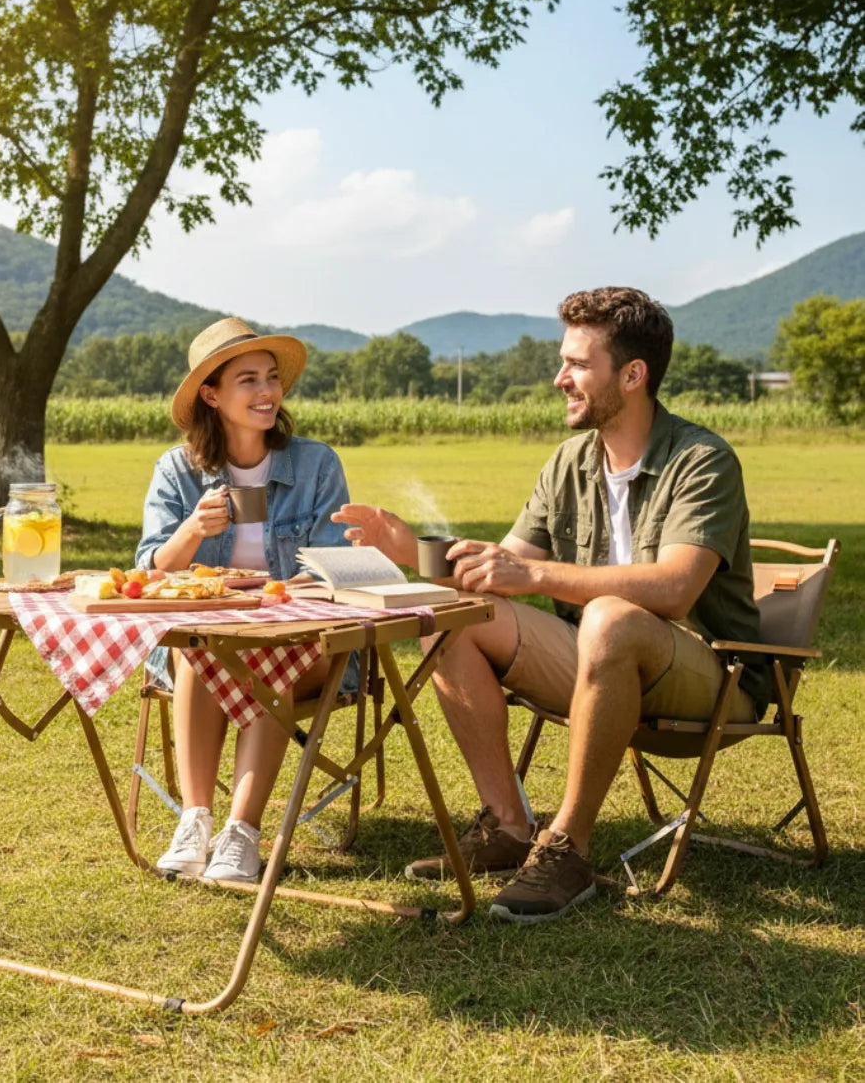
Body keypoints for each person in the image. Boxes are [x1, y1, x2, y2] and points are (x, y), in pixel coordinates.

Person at [335, 287, 763, 922]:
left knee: (610, 616)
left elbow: (674, 589)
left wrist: (533, 571)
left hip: (712, 677)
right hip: (599, 662)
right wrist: (406, 547)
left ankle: (567, 848)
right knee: (453, 624)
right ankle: (509, 827)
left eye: (578, 365)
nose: (560, 378)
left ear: (633, 374)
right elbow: (492, 575)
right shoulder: (569, 462)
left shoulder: (702, 461)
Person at [135, 317, 356, 882]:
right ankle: (196, 820)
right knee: (200, 648)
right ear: (211, 394)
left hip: (305, 647)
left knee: (267, 650)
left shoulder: (315, 464)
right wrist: (190, 532)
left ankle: (242, 834)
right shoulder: (178, 471)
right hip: (203, 648)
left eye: (272, 379)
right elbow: (148, 571)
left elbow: (336, 568)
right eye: (248, 381)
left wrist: (302, 591)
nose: (266, 393)